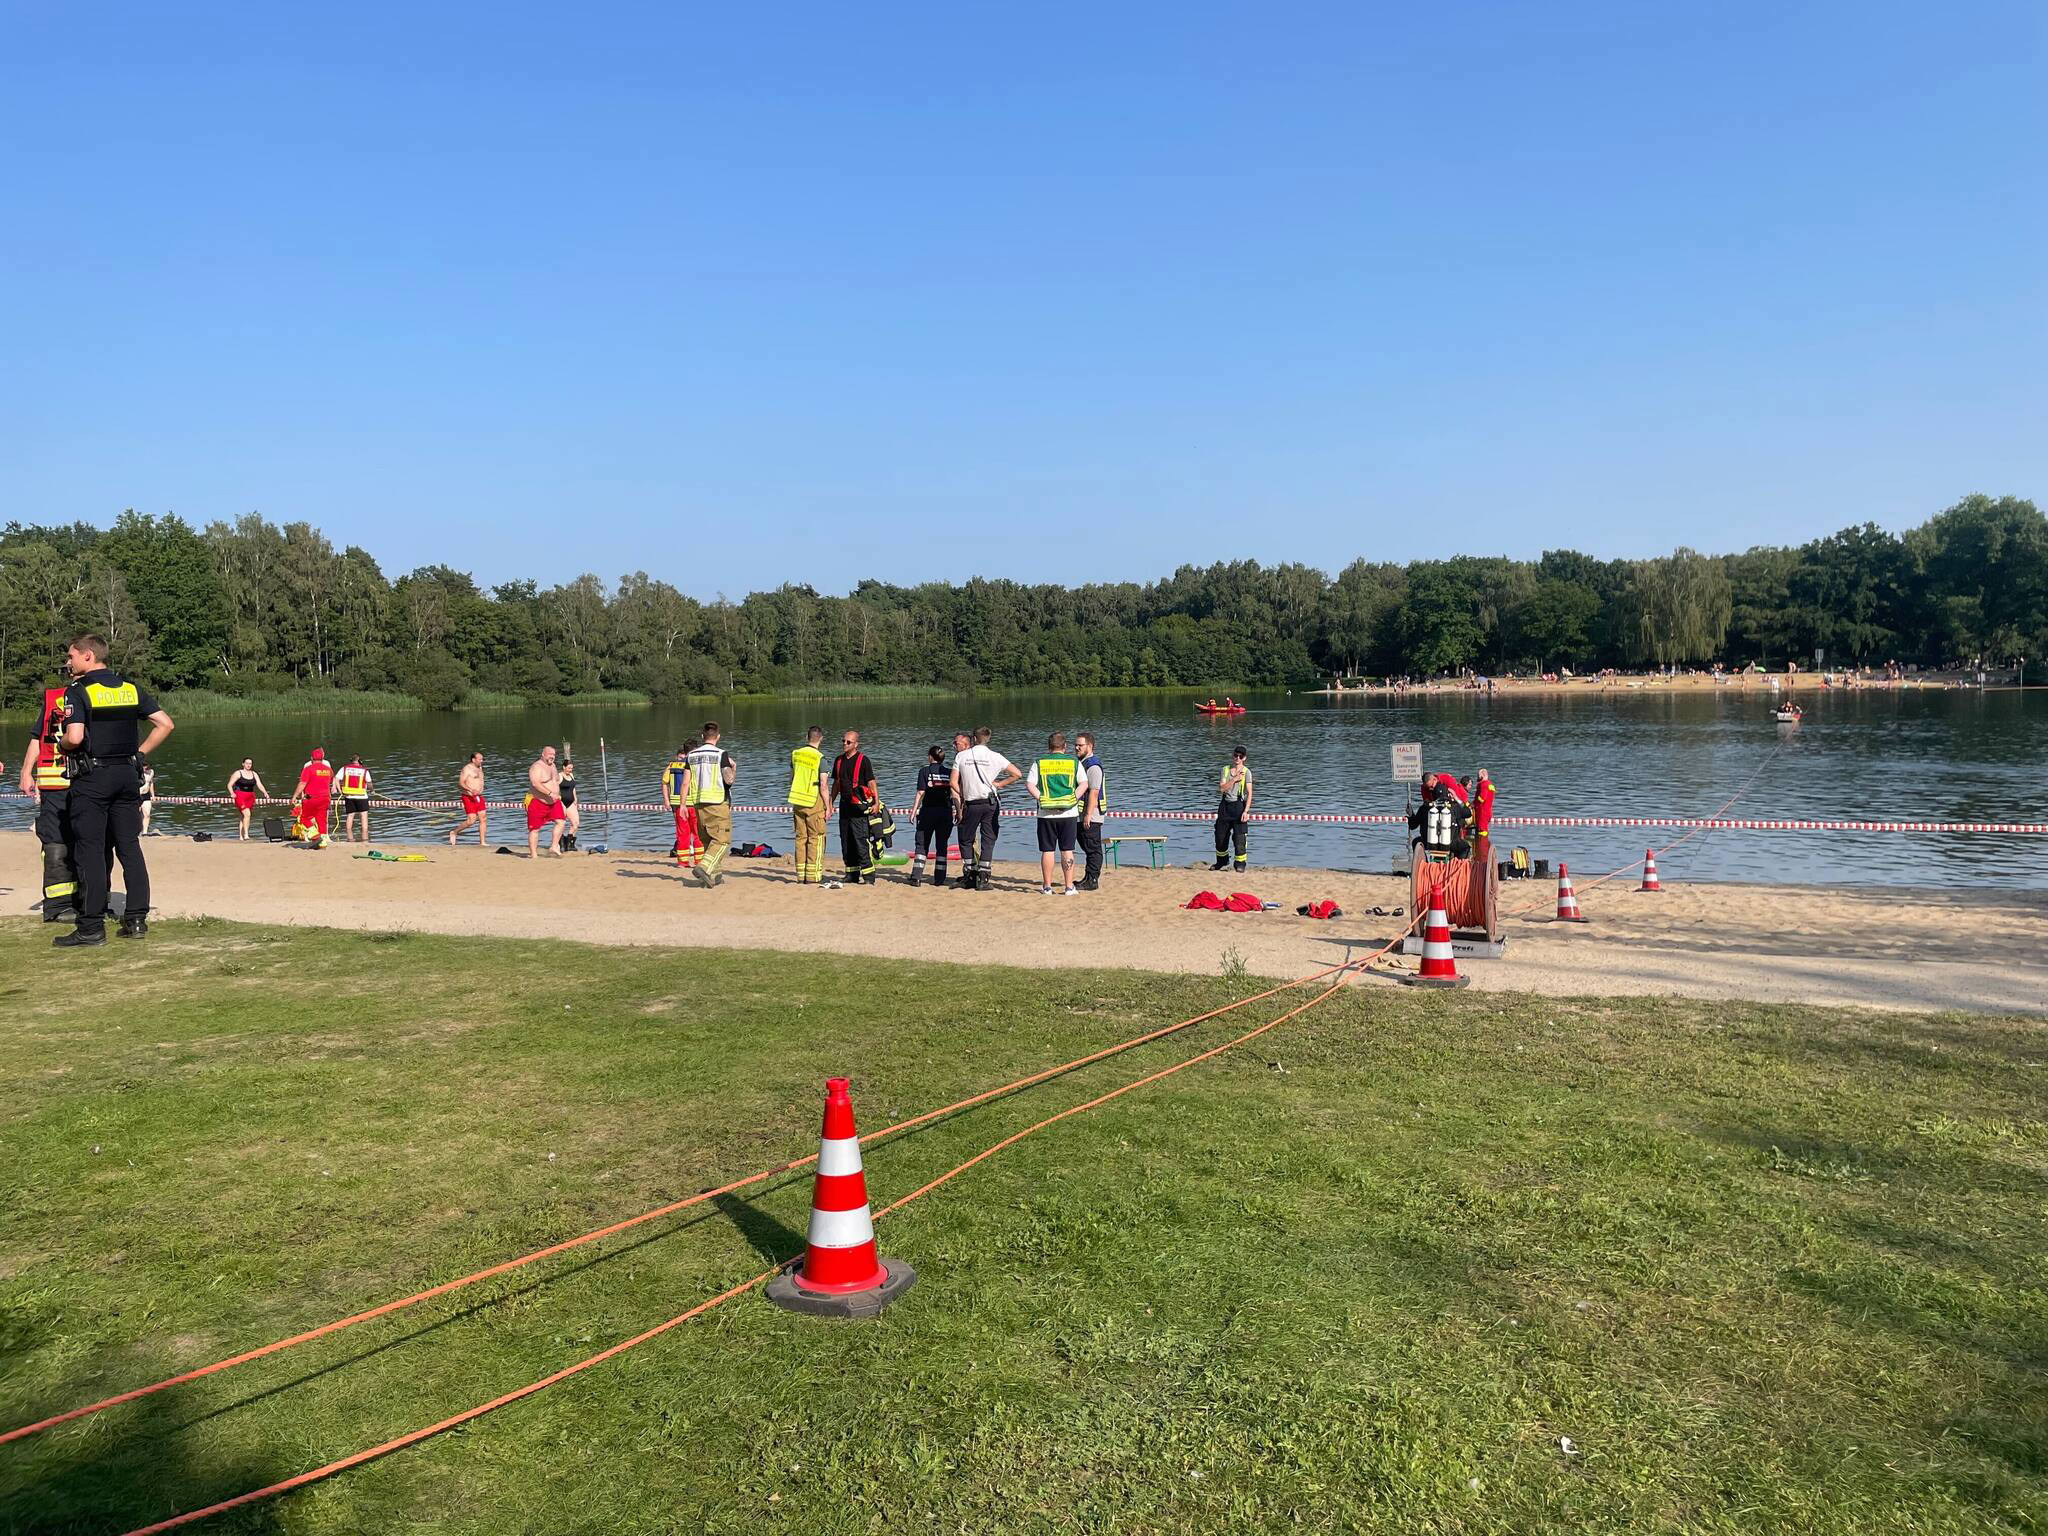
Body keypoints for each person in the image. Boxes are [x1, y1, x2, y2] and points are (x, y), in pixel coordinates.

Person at [54, 633, 173, 947]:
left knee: (90, 851)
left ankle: (91, 928)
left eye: (71, 656)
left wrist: (61, 742)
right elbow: (165, 724)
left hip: (93, 778)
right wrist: (140, 754)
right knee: (129, 848)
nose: (68, 663)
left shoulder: (78, 692)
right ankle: (135, 921)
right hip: (126, 775)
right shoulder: (129, 688)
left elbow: (75, 737)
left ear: (88, 656)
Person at [22, 681, 80, 922]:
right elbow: (39, 737)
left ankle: (92, 900)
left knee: (91, 842)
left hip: (88, 782)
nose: (69, 664)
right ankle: (58, 905)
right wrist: (26, 771)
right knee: (55, 843)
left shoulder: (95, 694)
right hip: (53, 784)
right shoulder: (53, 697)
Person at [951, 726, 1021, 892]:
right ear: (988, 739)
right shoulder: (995, 756)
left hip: (972, 803)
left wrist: (964, 793)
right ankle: (984, 877)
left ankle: (969, 874)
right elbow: (1017, 773)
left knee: (965, 839)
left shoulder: (962, 755)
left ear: (974, 739)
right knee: (988, 839)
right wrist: (1000, 784)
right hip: (990, 803)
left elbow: (953, 782)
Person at [1026, 731, 1083, 895]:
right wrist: (1073, 799)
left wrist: (1042, 799)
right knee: (1067, 850)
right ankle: (1069, 886)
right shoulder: (1073, 762)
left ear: (1049, 747)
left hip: (1046, 813)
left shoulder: (1040, 762)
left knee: (1048, 850)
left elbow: (1029, 784)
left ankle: (1047, 886)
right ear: (1064, 747)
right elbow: (1084, 783)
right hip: (1069, 813)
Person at [685, 722, 735, 887]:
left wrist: (684, 805)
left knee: (708, 841)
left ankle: (714, 875)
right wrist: (733, 768)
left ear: (702, 736)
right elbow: (729, 779)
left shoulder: (691, 756)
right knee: (722, 841)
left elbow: (685, 782)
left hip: (698, 803)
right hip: (717, 802)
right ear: (718, 737)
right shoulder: (721, 754)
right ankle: (705, 868)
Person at [831, 729, 880, 885]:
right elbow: (836, 784)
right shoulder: (838, 760)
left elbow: (871, 782)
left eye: (848, 742)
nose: (844, 744)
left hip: (859, 807)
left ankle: (869, 876)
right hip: (844, 806)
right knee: (846, 840)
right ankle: (851, 874)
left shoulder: (863, 760)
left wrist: (876, 802)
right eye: (843, 741)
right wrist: (830, 803)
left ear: (856, 744)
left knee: (860, 840)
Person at [786, 725, 831, 885]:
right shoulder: (820, 758)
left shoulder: (795, 754)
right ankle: (813, 876)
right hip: (813, 801)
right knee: (816, 838)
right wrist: (828, 806)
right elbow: (824, 786)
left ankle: (800, 875)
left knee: (800, 838)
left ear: (807, 737)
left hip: (797, 801)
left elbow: (791, 778)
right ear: (821, 739)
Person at [908, 744, 954, 887]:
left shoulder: (924, 771)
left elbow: (921, 792)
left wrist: (914, 811)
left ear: (930, 757)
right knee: (942, 845)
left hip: (928, 812)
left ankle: (916, 877)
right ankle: (939, 879)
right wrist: (958, 810)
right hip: (945, 812)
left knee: (922, 844)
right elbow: (955, 793)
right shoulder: (950, 772)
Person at [1410, 776, 1473, 862]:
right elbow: (1468, 813)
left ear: (1433, 795)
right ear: (1447, 794)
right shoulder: (1454, 807)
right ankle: (1457, 868)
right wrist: (1456, 798)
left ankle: (1424, 865)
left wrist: (1411, 814)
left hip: (1429, 843)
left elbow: (1413, 825)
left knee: (1415, 841)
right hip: (1450, 844)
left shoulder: (1425, 807)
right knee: (1465, 847)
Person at [1214, 746, 1253, 873]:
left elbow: (1249, 793)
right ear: (1233, 756)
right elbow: (1222, 788)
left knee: (1239, 838)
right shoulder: (1225, 770)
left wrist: (1246, 811)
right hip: (1225, 806)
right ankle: (1222, 861)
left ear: (1244, 758)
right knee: (1220, 837)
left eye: (1240, 756)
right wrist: (1234, 779)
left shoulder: (1247, 772)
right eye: (1236, 755)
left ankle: (1240, 864)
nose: (1237, 758)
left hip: (1239, 806)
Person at [664, 740, 701, 870]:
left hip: (678, 804)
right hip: (694, 803)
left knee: (682, 833)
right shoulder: (695, 765)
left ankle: (683, 862)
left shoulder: (672, 765)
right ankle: (699, 861)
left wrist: (666, 800)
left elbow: (664, 782)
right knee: (698, 833)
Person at [1075, 731, 1106, 891]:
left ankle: (1092, 880)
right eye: (1076, 745)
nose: (1076, 747)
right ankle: (1088, 877)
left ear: (1090, 746)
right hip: (1083, 814)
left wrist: (1087, 815)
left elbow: (1094, 791)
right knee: (1086, 846)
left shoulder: (1093, 766)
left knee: (1093, 848)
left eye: (1080, 745)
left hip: (1092, 815)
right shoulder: (1083, 763)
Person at [525, 745, 567, 858]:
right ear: (543, 754)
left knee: (561, 822)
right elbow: (535, 783)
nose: (552, 757)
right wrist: (550, 793)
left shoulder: (553, 766)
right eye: (550, 754)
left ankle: (553, 846)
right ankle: (533, 854)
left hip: (554, 801)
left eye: (554, 755)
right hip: (537, 800)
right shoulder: (537, 766)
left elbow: (556, 781)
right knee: (535, 829)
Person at [291, 748, 335, 843]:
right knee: (322, 820)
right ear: (322, 758)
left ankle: (314, 834)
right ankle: (323, 841)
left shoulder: (308, 769)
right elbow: (330, 782)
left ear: (311, 758)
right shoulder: (328, 770)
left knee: (304, 818)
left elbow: (302, 783)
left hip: (311, 798)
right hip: (325, 798)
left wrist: (295, 796)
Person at [227, 758, 271, 841]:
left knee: (244, 816)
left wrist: (265, 792)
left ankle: (241, 836)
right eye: (247, 763)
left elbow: (259, 784)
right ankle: (246, 835)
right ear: (243, 764)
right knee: (247, 814)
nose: (248, 765)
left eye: (250, 763)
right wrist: (232, 793)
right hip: (239, 795)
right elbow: (229, 784)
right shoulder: (238, 773)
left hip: (250, 796)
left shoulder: (254, 774)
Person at [448, 752, 487, 846]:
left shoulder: (480, 768)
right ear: (473, 760)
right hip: (468, 796)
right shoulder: (467, 769)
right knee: (471, 820)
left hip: (478, 796)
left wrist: (480, 790)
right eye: (479, 759)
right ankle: (454, 832)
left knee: (483, 818)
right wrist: (470, 789)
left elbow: (480, 781)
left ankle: (482, 842)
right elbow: (461, 783)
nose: (481, 761)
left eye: (482, 759)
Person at [336, 753, 373, 844]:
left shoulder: (344, 768)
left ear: (351, 761)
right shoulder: (364, 770)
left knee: (350, 816)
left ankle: (350, 839)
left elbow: (336, 779)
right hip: (362, 796)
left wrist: (340, 790)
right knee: (363, 817)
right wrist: (372, 790)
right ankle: (365, 840)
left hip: (349, 796)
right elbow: (369, 783)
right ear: (360, 761)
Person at [1469, 770, 1496, 862]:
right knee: (1484, 830)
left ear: (1482, 775)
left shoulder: (1483, 784)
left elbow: (1481, 798)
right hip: (1488, 811)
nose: (1477, 777)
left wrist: (1474, 804)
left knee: (1482, 831)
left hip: (1482, 812)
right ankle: (1485, 852)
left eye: (1478, 775)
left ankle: (1482, 855)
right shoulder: (1490, 784)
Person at [558, 753, 579, 852]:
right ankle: (561, 843)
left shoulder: (571, 775)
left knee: (575, 823)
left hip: (571, 802)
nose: (570, 770)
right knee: (561, 824)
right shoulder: (559, 776)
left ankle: (569, 843)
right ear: (564, 767)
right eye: (569, 768)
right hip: (561, 802)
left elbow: (573, 787)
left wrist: (575, 798)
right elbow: (554, 787)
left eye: (572, 768)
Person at [137, 760, 157, 836]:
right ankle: (137, 830)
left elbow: (150, 783)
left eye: (146, 767)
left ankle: (145, 832)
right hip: (137, 795)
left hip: (146, 795)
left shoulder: (151, 772)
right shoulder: (136, 773)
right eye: (143, 767)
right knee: (137, 814)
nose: (144, 769)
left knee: (147, 814)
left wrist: (153, 795)